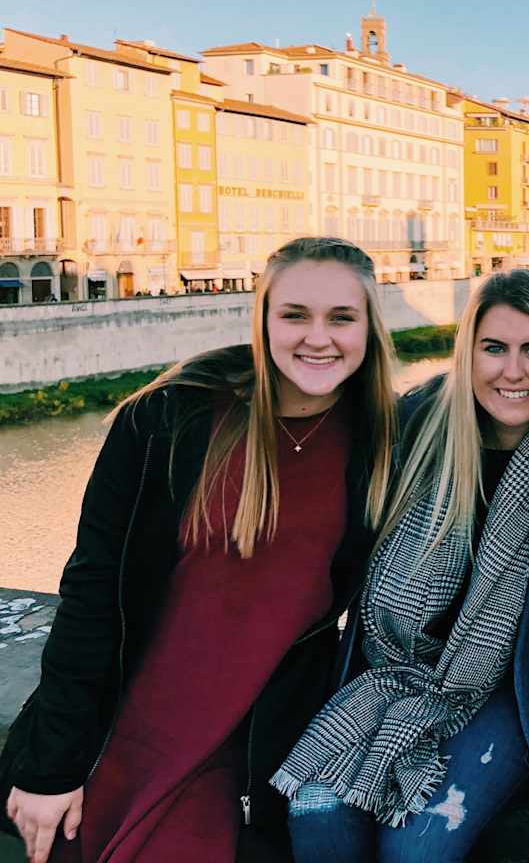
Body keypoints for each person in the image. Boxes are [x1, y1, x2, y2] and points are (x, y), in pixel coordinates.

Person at [1, 236, 397, 863]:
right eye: (295, 315)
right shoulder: (168, 418)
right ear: (262, 318)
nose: (317, 338)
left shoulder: (386, 440)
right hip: (128, 727)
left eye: (342, 318)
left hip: (251, 748)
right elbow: (93, 592)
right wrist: (50, 766)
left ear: (371, 328)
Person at [277, 269, 529, 863]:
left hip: (510, 689)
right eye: (494, 348)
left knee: (416, 846)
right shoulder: (415, 423)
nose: (513, 372)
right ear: (468, 351)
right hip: (394, 670)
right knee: (315, 809)